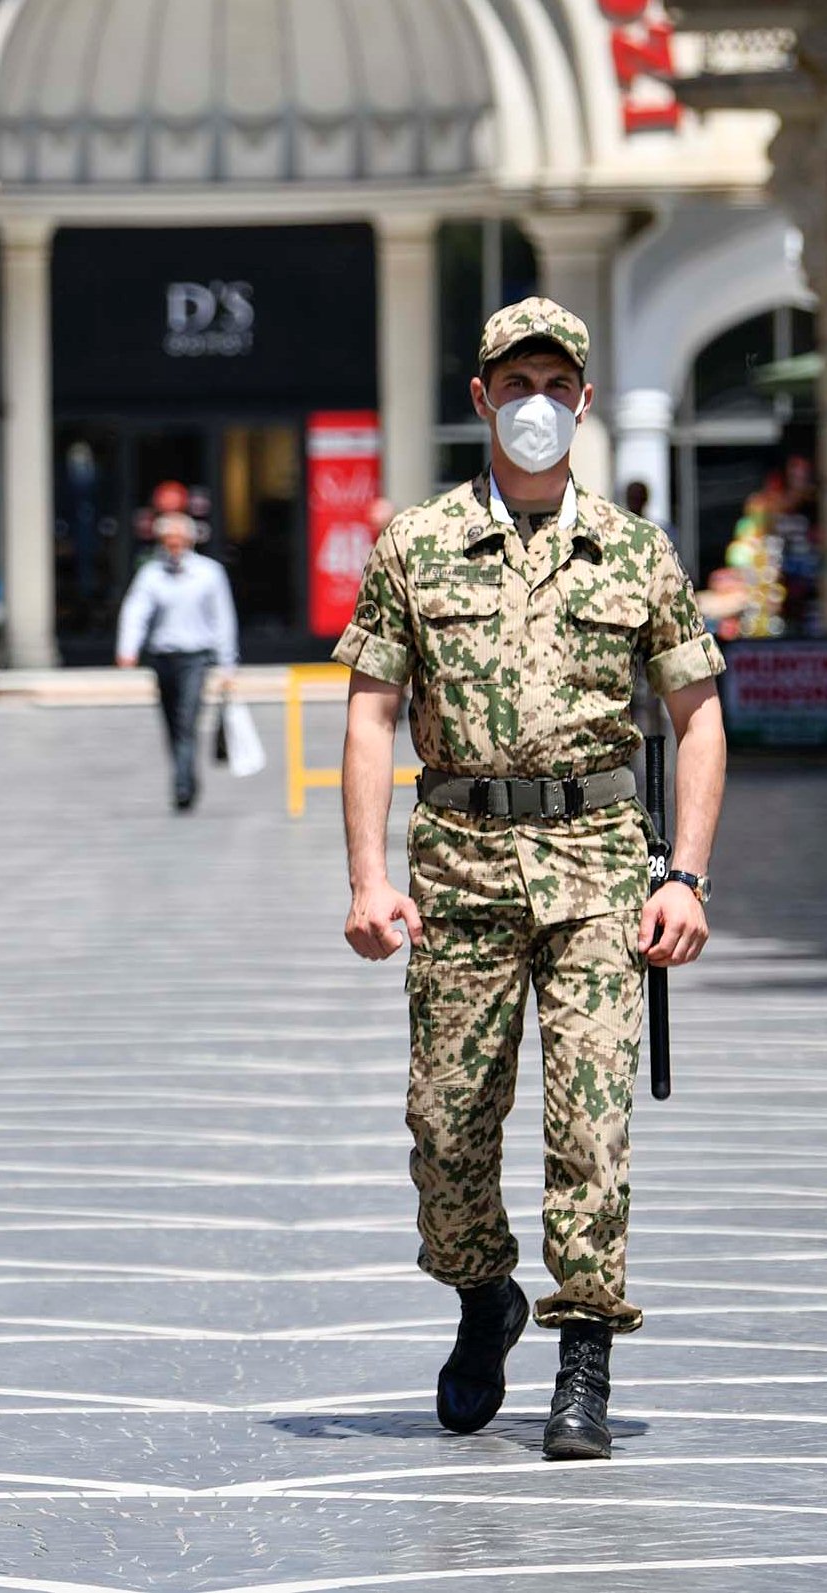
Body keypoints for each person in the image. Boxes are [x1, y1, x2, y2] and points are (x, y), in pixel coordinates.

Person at [335, 298, 726, 1462]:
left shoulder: (636, 550)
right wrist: (367, 875)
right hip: (459, 868)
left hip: (603, 869)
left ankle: (584, 1354)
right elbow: (370, 714)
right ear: (481, 400)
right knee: (446, 1126)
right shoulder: (418, 543)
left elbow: (697, 721)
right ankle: (481, 1295)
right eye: (517, 385)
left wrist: (688, 876)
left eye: (558, 384)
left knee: (591, 1128)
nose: (538, 405)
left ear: (586, 401)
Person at [114, 512, 239, 809]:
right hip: (163, 657)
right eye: (168, 540)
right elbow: (136, 611)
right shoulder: (151, 574)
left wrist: (227, 663)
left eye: (178, 540)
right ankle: (186, 774)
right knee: (171, 721)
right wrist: (127, 648)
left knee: (187, 719)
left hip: (195, 657)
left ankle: (182, 785)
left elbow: (223, 619)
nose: (173, 546)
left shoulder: (210, 573)